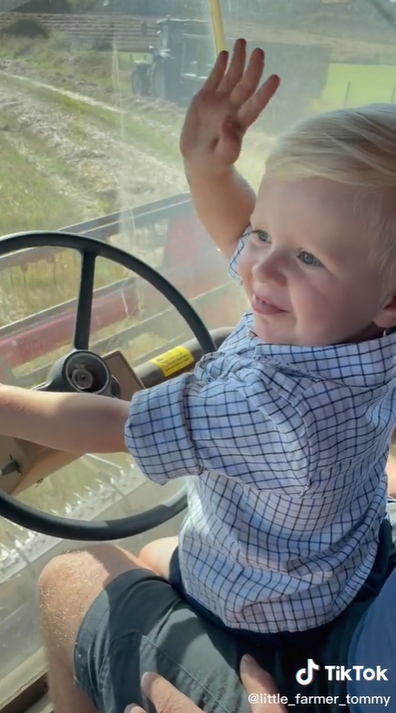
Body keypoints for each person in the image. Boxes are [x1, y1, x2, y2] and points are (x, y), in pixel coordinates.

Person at [1, 38, 396, 713]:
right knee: (157, 550)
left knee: (68, 576)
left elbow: (118, 423)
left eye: (307, 258)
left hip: (268, 631)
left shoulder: (274, 408)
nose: (259, 269)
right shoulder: (360, 326)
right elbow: (244, 241)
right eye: (269, 232)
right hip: (338, 572)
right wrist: (205, 166)